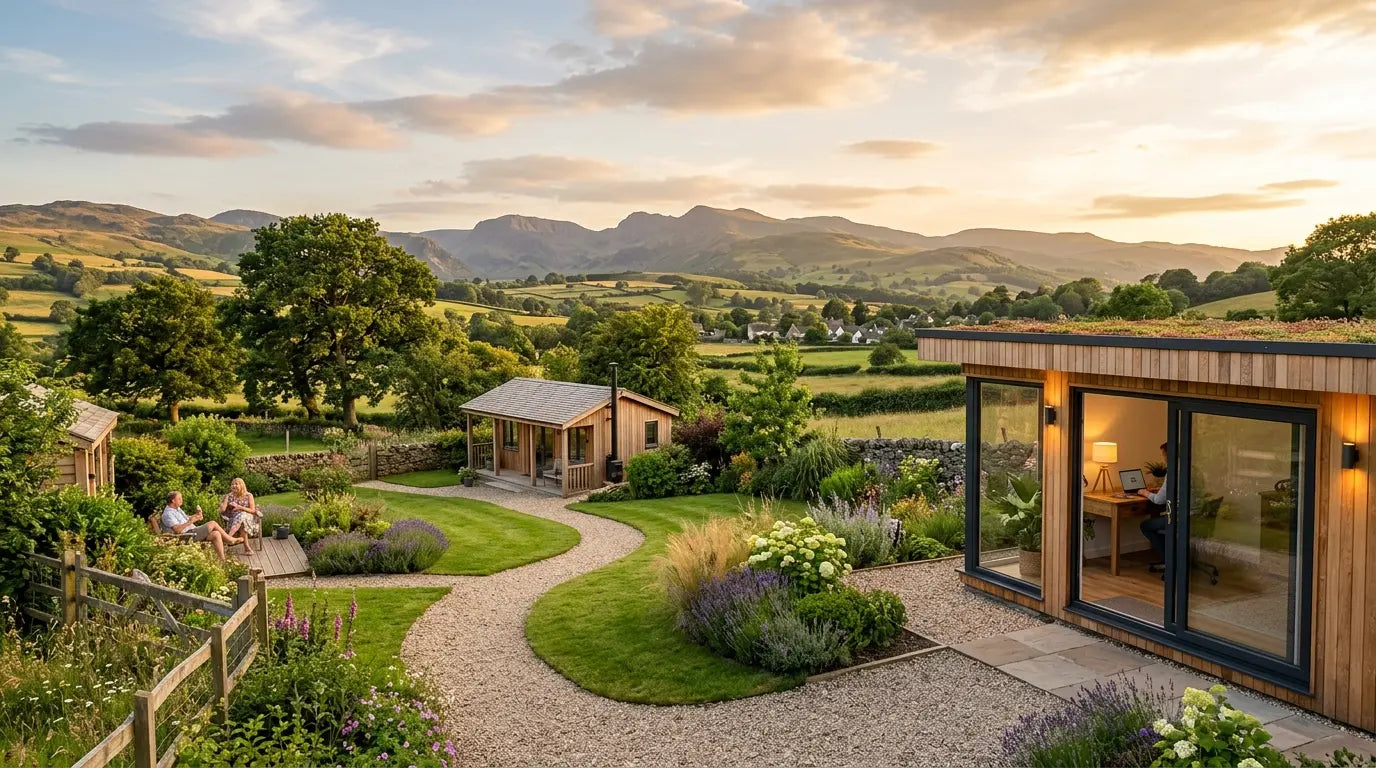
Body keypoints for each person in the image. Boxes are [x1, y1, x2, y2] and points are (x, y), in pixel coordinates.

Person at [160, 491, 237, 562]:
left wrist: (196, 515)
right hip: (185, 537)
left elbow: (186, 518)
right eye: (179, 499)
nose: (181, 500)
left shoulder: (176, 509)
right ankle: (229, 540)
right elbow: (177, 530)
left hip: (192, 531)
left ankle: (223, 561)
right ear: (173, 501)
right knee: (212, 523)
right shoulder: (168, 514)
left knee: (216, 534)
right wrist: (191, 521)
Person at [1137, 442, 1169, 572]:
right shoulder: (1193, 469)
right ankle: (1173, 556)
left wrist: (1144, 492)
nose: (1162, 458)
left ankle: (1168, 559)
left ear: (1167, 455)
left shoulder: (1173, 472)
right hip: (1195, 518)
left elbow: (1159, 500)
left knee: (1146, 526)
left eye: (1162, 455)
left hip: (1179, 520)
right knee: (1158, 523)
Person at [219, 478, 260, 555]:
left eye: (236, 484)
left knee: (242, 515)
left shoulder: (248, 495)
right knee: (242, 524)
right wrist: (223, 505)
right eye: (232, 484)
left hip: (249, 518)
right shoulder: (229, 496)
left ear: (241, 485)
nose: (234, 486)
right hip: (234, 519)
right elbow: (222, 510)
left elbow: (253, 510)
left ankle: (228, 538)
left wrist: (240, 507)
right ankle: (247, 548)